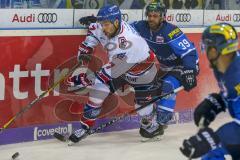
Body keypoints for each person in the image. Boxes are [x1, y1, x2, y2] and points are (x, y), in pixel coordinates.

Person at [79, 2, 199, 139]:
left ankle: (160, 124)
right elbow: (120, 26)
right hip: (164, 66)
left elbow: (189, 52)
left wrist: (190, 70)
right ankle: (153, 118)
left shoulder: (171, 31)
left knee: (167, 86)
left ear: (163, 17)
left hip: (184, 65)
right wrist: (98, 22)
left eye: (155, 16)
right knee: (152, 91)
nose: (151, 18)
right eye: (149, 15)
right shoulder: (141, 26)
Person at [67, 4, 172, 144]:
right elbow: (93, 31)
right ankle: (85, 128)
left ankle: (151, 122)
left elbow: (108, 73)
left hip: (142, 72)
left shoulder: (129, 42)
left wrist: (85, 79)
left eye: (105, 24)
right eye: (102, 24)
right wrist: (87, 48)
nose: (103, 28)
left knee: (142, 111)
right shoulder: (104, 25)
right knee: (98, 91)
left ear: (116, 22)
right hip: (119, 68)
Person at [180, 23, 240, 160]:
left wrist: (214, 138)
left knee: (213, 149)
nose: (206, 51)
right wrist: (217, 102)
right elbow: (233, 93)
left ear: (214, 50)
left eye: (207, 47)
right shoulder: (222, 67)